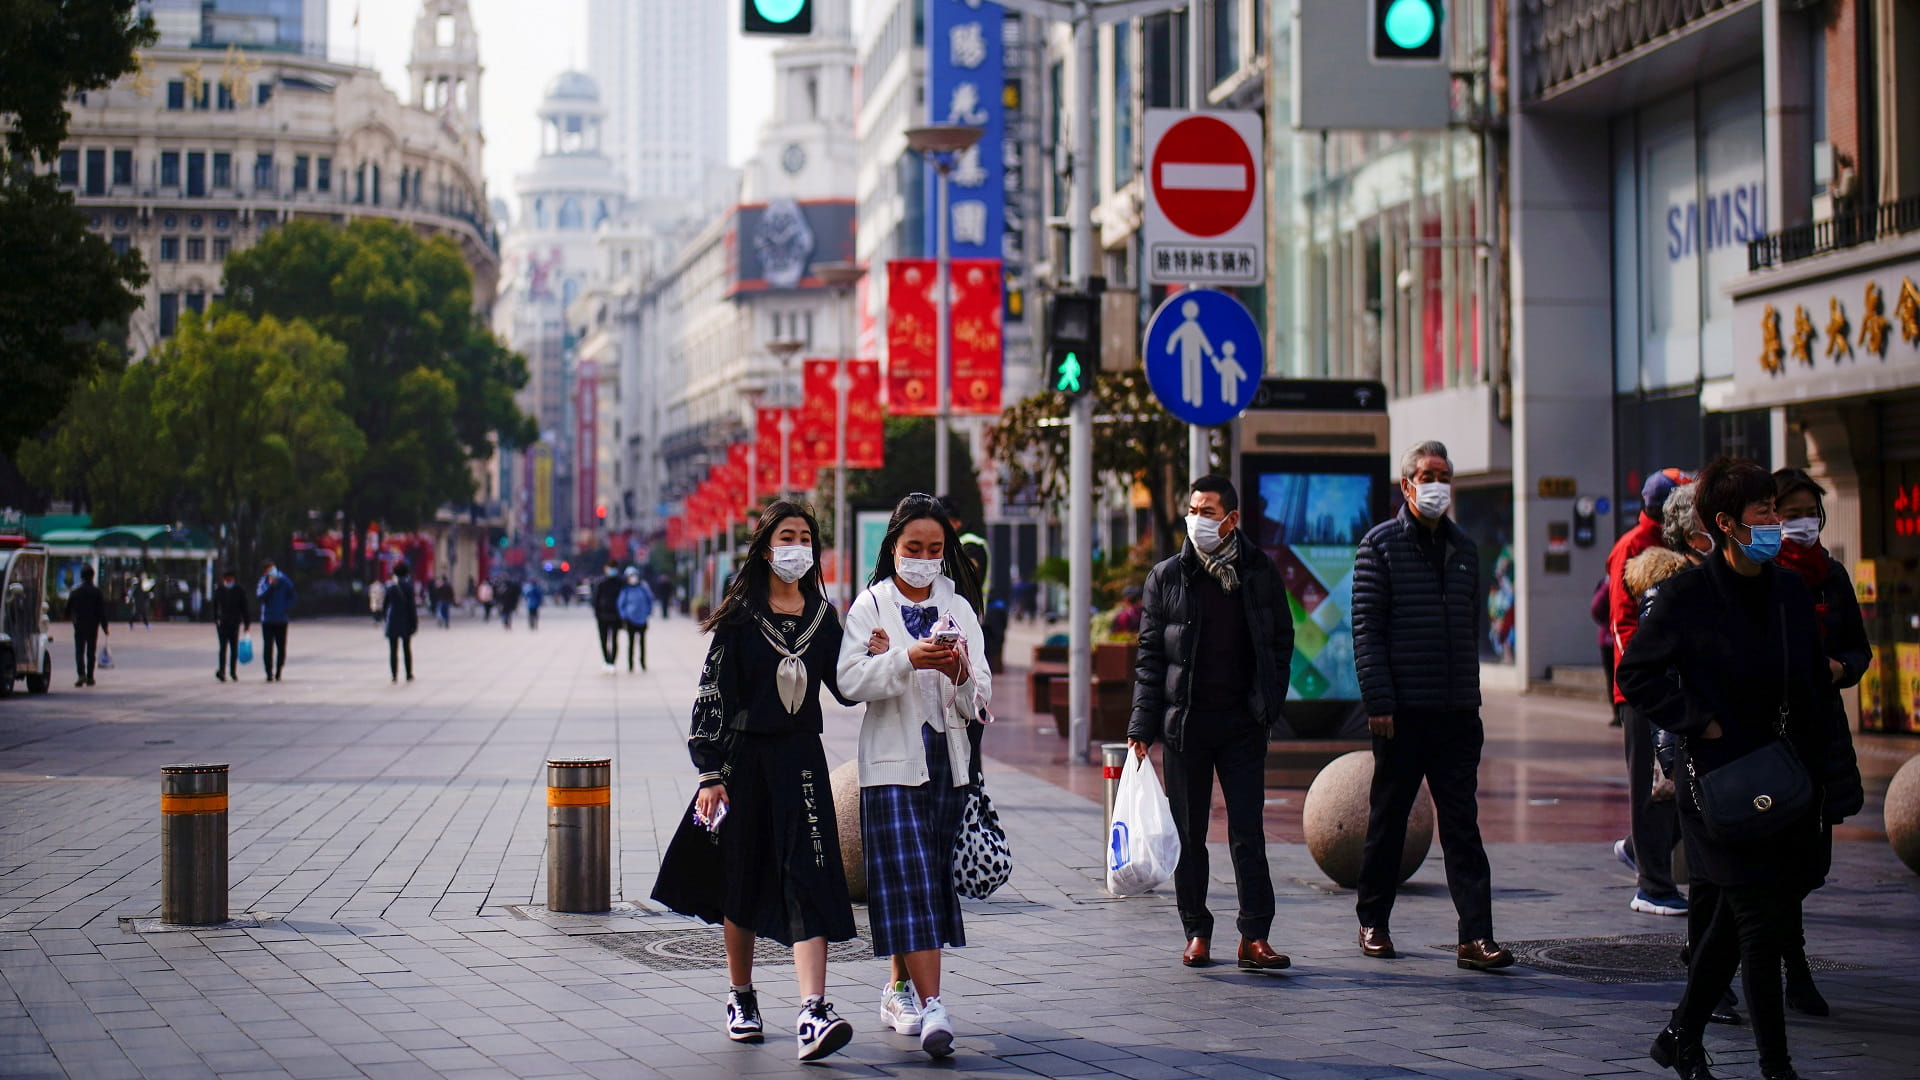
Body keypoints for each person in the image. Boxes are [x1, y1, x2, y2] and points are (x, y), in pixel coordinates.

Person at [1618, 456, 1835, 1080]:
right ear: (1726, 523)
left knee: (1731, 926)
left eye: (1775, 510)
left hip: (1778, 777)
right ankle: (1776, 1067)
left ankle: (1680, 1036)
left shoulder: (1787, 592)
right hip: (1712, 782)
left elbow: (1812, 687)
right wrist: (1697, 720)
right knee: (1757, 925)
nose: (1774, 523)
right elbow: (1637, 675)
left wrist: (1825, 777)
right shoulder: (1686, 595)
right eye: (1763, 511)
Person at [651, 501, 863, 1062]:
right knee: (740, 878)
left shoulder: (824, 616)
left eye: (805, 538)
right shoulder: (741, 616)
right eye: (786, 536)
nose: (797, 547)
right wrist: (710, 773)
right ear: (767, 548)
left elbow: (846, 689)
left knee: (811, 874)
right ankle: (741, 996)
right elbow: (713, 694)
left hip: (802, 761)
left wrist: (875, 656)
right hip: (744, 762)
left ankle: (813, 1009)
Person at [836, 493, 991, 1059]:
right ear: (894, 547)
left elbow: (981, 696)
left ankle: (898, 988)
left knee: (922, 880)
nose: (924, 559)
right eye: (913, 548)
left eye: (934, 549)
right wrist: (905, 658)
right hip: (891, 765)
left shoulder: (959, 606)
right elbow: (849, 680)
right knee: (913, 878)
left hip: (947, 761)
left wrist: (960, 671)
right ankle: (934, 1006)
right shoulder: (871, 605)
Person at [1352, 441, 1512, 971]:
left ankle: (1476, 936)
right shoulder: (1379, 546)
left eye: (1444, 475)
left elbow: (1469, 631)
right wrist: (1379, 701)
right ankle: (1373, 921)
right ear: (1407, 485)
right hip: (1401, 714)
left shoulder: (1464, 548)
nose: (1437, 485)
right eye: (1428, 475)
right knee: (1389, 821)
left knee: (1463, 826)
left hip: (1456, 714)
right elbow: (1367, 631)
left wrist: (1472, 700)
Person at [1127, 476, 1295, 971]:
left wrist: (1268, 703)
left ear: (1231, 519)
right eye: (1194, 509)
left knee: (1248, 833)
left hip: (1243, 725)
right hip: (1186, 725)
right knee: (1189, 833)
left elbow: (1280, 642)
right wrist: (1141, 728)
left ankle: (1255, 936)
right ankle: (1196, 931)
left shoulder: (1259, 571)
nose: (1197, 519)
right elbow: (1150, 658)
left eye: (1208, 511)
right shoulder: (1168, 576)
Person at [1771, 467, 1868, 1017]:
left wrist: (1841, 668)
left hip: (1821, 735)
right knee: (1777, 863)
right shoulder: (1760, 574)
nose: (1802, 522)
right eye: (1791, 513)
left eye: (1810, 512)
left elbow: (1859, 648)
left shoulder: (1831, 576)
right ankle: (1793, 968)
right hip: (1770, 740)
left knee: (1812, 866)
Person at [1607, 467, 1693, 917]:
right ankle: (1653, 885)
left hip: (1676, 687)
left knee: (1681, 786)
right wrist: (1641, 680)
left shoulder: (1680, 546)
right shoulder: (1633, 547)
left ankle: (1638, 850)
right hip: (1644, 692)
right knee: (1652, 789)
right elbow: (1622, 624)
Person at [67, 566, 108, 688]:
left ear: (81, 577)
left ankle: (81, 675)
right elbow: (101, 611)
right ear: (92, 576)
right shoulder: (97, 592)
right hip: (92, 626)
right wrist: (105, 627)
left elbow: (67, 609)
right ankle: (90, 677)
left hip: (79, 625)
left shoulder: (75, 592)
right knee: (91, 651)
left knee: (79, 651)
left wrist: (72, 618)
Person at [256, 559, 295, 682]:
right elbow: (260, 596)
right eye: (268, 570)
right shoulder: (264, 582)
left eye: (272, 569)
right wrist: (270, 586)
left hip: (281, 619)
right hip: (267, 619)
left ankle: (279, 670)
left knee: (281, 647)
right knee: (268, 647)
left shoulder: (284, 581)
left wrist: (285, 608)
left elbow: (292, 596)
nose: (271, 572)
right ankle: (269, 672)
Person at [210, 568, 250, 683]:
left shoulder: (239, 590)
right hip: (222, 623)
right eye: (227, 579)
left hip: (234, 623)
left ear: (233, 579)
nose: (229, 581)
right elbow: (215, 606)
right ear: (224, 579)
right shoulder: (219, 590)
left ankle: (233, 671)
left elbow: (244, 607)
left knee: (233, 648)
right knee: (222, 648)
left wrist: (246, 622)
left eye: (230, 579)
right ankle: (222, 671)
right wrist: (216, 619)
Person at [383, 562, 420, 682]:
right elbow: (411, 607)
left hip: (393, 620)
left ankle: (394, 675)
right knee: (406, 648)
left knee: (393, 650)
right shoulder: (408, 587)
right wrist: (414, 622)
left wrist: (385, 619)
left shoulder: (390, 587)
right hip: (405, 619)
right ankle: (408, 673)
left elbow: (385, 605)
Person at [618, 567, 655, 672]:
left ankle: (642, 662)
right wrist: (624, 616)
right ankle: (630, 664)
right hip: (630, 620)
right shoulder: (625, 590)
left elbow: (650, 600)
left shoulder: (643, 588)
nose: (633, 578)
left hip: (642, 619)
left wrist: (647, 612)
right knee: (631, 643)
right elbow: (620, 604)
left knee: (642, 642)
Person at [592, 565, 625, 670]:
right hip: (602, 616)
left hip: (616, 616)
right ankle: (606, 660)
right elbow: (595, 600)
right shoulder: (601, 583)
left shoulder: (620, 582)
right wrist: (597, 614)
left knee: (614, 639)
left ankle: (612, 662)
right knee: (604, 640)